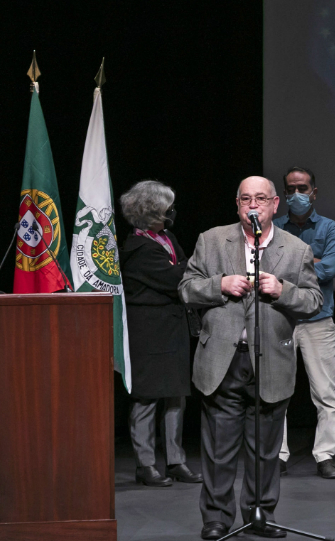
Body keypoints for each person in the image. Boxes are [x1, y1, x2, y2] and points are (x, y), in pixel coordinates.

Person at [180, 176, 323, 540]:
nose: (253, 205)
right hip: (222, 361)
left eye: (261, 199)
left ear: (275, 204)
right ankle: (216, 518)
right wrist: (219, 285)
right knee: (219, 450)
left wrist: (283, 289)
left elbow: (313, 301)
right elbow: (186, 289)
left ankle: (260, 514)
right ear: (238, 204)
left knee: (265, 450)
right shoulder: (211, 241)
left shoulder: (296, 249)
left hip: (271, 360)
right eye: (246, 199)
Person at [119, 180, 203, 487]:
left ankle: (175, 460)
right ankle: (146, 464)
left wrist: (186, 269)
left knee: (175, 396)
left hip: (173, 328)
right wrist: (193, 265)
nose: (171, 213)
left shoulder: (166, 237)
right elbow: (176, 277)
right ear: (152, 211)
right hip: (149, 332)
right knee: (147, 397)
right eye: (166, 208)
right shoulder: (138, 248)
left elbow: (182, 268)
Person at [274, 167, 335, 479]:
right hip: (281, 318)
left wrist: (291, 265)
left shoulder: (329, 228)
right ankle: (277, 455)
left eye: (303, 188)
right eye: (291, 189)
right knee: (276, 391)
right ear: (283, 193)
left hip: (318, 320)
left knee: (326, 393)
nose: (297, 195)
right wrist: (310, 263)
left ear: (314, 192)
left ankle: (325, 455)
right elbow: (265, 268)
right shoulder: (273, 226)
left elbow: (327, 271)